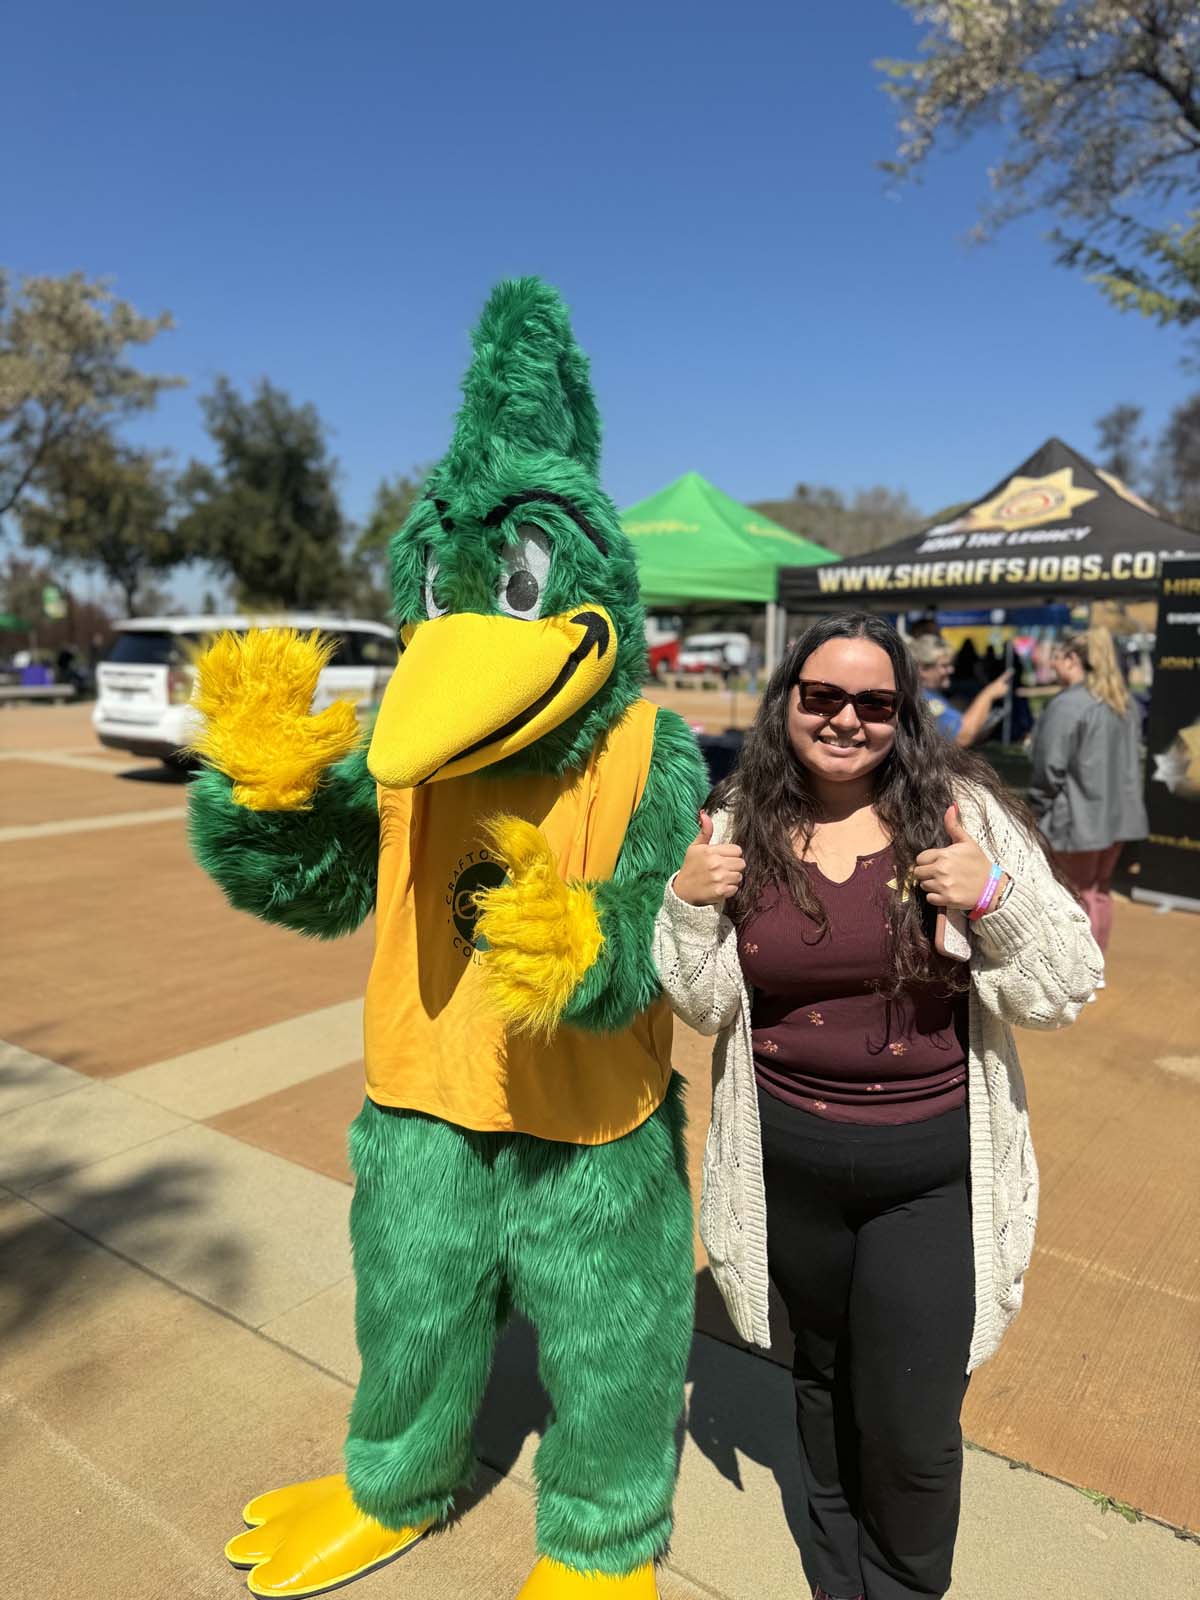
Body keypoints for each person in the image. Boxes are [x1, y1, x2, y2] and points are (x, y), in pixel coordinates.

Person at [652, 612, 1100, 1600]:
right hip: (790, 1168)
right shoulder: (736, 825)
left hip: (927, 1178)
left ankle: (901, 1586)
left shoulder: (964, 815)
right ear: (787, 704)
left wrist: (993, 901)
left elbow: (1066, 988)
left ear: (902, 716)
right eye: (822, 696)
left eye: (874, 702)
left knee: (912, 1425)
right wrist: (688, 904)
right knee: (818, 1384)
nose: (846, 718)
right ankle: (837, 1571)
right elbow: (704, 1003)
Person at [1028, 626, 1148, 960]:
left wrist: (1037, 809)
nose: (1052, 665)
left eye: (1056, 658)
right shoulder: (1124, 703)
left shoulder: (1069, 704)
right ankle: (1094, 967)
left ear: (1070, 658)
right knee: (1098, 891)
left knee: (1074, 895)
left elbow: (1048, 770)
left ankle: (1080, 970)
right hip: (1115, 820)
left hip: (1077, 820)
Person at [910, 633, 1011, 747]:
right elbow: (962, 737)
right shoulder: (924, 699)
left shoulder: (930, 695)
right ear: (922, 669)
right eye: (944, 666)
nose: (951, 670)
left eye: (951, 664)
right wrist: (988, 694)